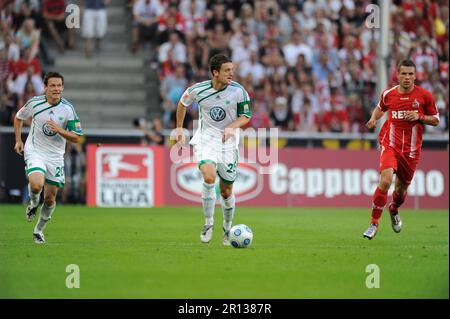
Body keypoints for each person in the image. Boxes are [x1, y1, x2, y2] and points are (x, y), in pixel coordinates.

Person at [175, 54, 251, 245]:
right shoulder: (198, 90)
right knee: (209, 177)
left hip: (228, 143)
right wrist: (178, 128)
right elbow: (182, 103)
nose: (231, 74)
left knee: (226, 191)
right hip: (206, 139)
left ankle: (227, 227)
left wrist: (231, 127)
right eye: (227, 70)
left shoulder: (239, 91)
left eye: (232, 70)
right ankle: (208, 223)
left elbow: (246, 116)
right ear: (215, 72)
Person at [363, 60, 440, 240]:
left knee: (400, 191)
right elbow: (380, 108)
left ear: (415, 75)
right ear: (397, 75)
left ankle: (394, 208)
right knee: (386, 180)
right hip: (390, 144)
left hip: (411, 151)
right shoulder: (388, 94)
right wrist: (373, 119)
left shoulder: (425, 96)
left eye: (410, 74)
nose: (407, 77)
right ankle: (374, 223)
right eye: (403, 74)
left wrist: (419, 117)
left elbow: (436, 120)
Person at [13, 72, 83, 244]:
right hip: (35, 150)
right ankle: (33, 203)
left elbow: (76, 136)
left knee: (51, 198)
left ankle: (38, 230)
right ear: (45, 87)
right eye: (52, 85)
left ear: (63, 88)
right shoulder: (35, 103)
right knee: (36, 185)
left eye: (59, 85)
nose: (56, 89)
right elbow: (18, 117)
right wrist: (18, 140)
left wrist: (59, 130)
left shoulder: (68, 109)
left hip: (55, 156)